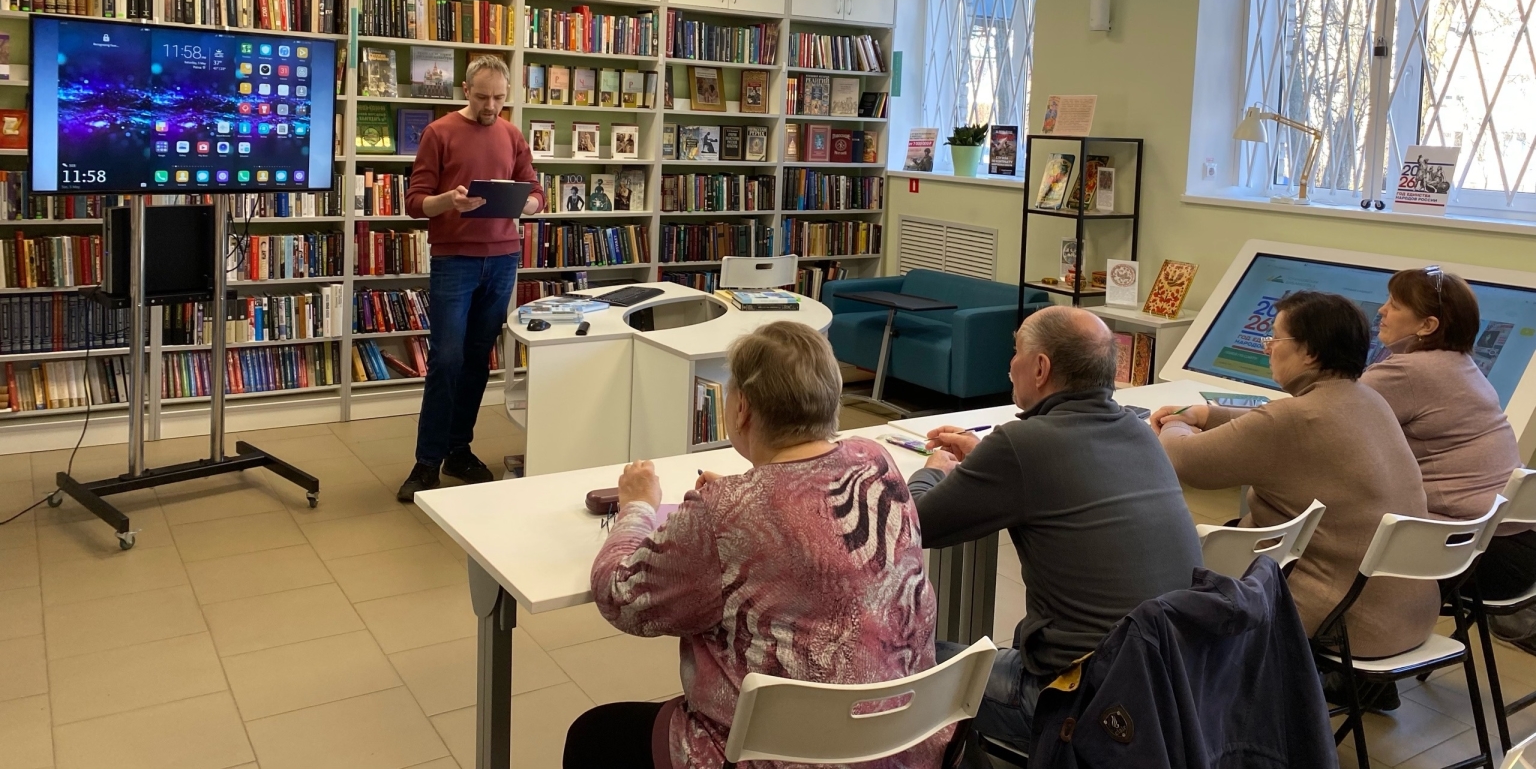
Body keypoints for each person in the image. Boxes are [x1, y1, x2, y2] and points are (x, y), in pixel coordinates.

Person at [568, 322, 950, 769]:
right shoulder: (873, 461)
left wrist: (636, 506)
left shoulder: (725, 510)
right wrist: (739, 498)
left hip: (775, 755)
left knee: (593, 736)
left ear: (742, 408)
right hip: (895, 742)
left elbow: (621, 597)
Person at [908, 306, 1202, 753]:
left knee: (901, 659)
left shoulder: (1021, 445)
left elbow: (912, 525)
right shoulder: (1140, 432)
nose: (1010, 364)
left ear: (1041, 368)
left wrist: (933, 470)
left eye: (1016, 351)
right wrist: (988, 458)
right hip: (1170, 689)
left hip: (1080, 701)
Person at [1153, 291, 1438, 705]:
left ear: (1309, 353)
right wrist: (1206, 415)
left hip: (1346, 624)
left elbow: (1185, 461)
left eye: (1276, 338)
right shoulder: (1367, 400)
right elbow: (1269, 423)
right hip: (1409, 615)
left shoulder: (1296, 419)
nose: (1268, 347)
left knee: (1181, 559)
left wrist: (1174, 423)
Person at [396, 54, 545, 502]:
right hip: (455, 260)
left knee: (478, 360)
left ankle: (458, 451)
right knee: (447, 360)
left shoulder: (512, 134)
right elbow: (415, 202)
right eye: (482, 97)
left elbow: (535, 192)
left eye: (499, 98)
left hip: (502, 259)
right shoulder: (439, 132)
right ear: (466, 91)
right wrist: (449, 201)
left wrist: (524, 204)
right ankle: (427, 462)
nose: (491, 106)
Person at [1364, 268, 1530, 640]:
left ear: (1427, 325)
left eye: (1394, 305)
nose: (1381, 311)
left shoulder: (1406, 372)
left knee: (1322, 542)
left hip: (1473, 555)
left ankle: (1336, 661)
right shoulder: (1463, 365)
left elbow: (1321, 418)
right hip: (1515, 546)